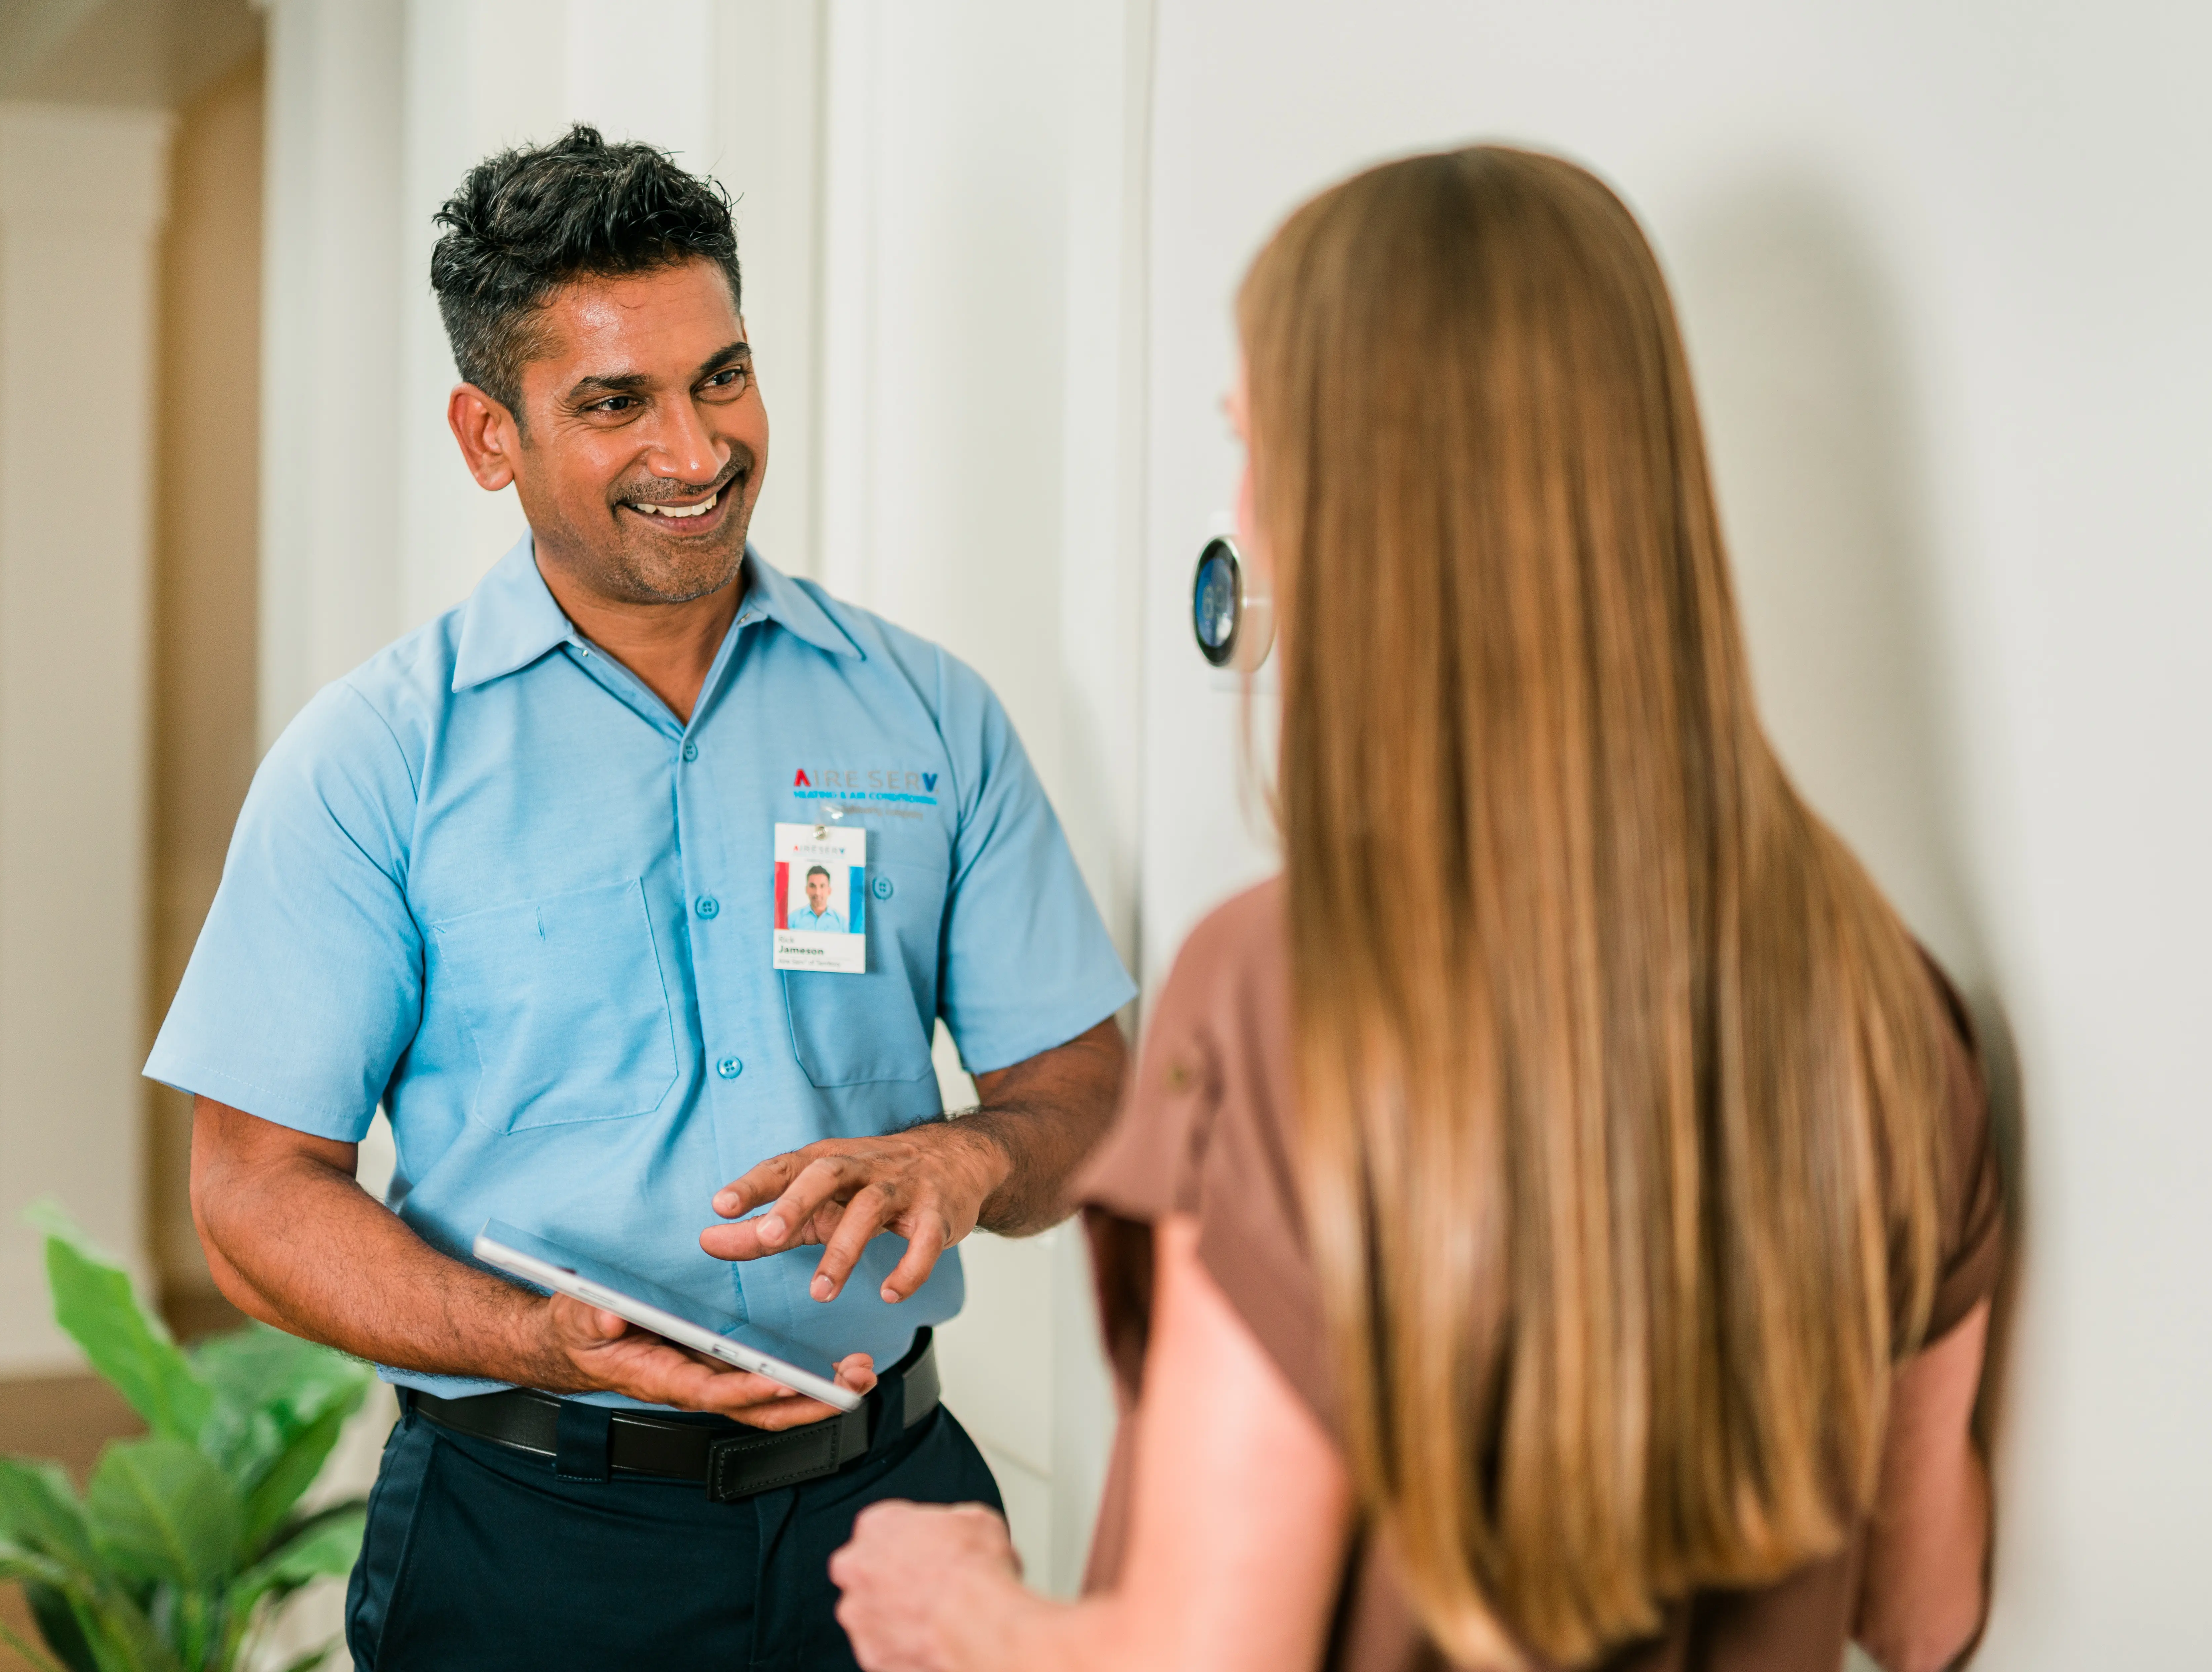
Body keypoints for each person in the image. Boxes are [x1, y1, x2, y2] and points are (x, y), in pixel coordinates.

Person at [830, 146, 2001, 1672]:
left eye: (1258, 448)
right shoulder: (1885, 999)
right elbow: (1923, 1612)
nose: (1238, 513)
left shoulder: (1284, 984)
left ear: (1354, 507)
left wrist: (963, 1604)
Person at [150, 126, 1134, 1670]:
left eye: (721, 377)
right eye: (617, 402)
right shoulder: (374, 758)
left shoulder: (930, 713)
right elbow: (252, 1193)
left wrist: (971, 1152)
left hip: (894, 1516)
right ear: (491, 434)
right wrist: (526, 1334)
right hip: (528, 1537)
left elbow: (1080, 1091)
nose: (695, 449)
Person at [791, 865, 851, 933]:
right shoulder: (793, 920)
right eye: (812, 886)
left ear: (829, 891)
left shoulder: (843, 924)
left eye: (822, 886)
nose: (817, 893)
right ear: (807, 890)